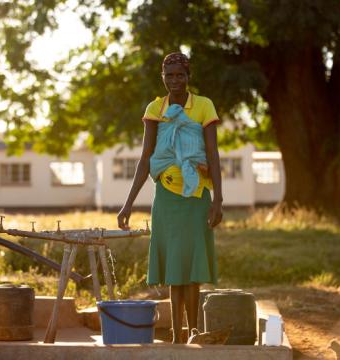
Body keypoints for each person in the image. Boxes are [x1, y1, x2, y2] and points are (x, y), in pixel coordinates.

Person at [117, 52, 223, 344]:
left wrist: (218, 200)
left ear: (189, 77)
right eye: (169, 75)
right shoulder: (155, 108)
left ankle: (193, 331)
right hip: (166, 198)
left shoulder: (203, 106)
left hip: (196, 196)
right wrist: (128, 204)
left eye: (180, 75)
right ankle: (176, 335)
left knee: (193, 268)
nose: (175, 81)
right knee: (175, 269)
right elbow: (145, 158)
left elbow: (212, 154)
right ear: (162, 77)